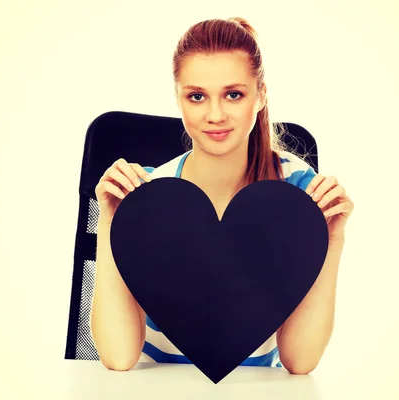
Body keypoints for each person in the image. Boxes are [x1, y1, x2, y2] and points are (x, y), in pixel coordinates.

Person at [90, 17, 354, 375]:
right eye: (197, 96)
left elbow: (300, 360)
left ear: (260, 95)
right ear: (179, 98)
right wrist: (109, 223)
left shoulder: (296, 193)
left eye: (234, 94)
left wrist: (332, 239)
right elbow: (119, 358)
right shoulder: (150, 195)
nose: (215, 115)